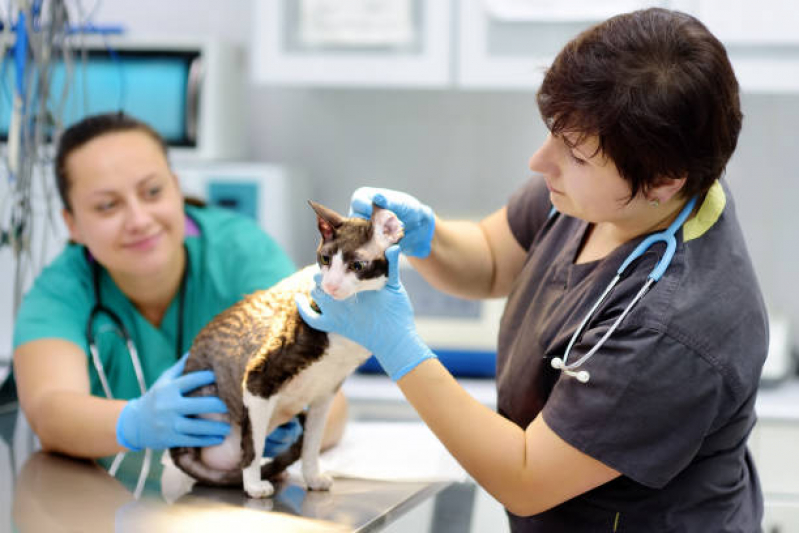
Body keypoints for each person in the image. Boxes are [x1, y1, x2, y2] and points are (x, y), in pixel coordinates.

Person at [296, 8, 767, 532]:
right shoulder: (606, 196)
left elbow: (524, 479)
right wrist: (428, 237)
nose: (539, 162)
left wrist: (396, 346)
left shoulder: (676, 329)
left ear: (662, 182)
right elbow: (493, 260)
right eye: (553, 134)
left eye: (575, 155)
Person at [12, 112, 347, 464]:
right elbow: (49, 412)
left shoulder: (241, 255)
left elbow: (331, 397)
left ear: (176, 188)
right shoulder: (62, 291)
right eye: (108, 206)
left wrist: (296, 429)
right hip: (101, 500)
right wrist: (134, 423)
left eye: (153, 192)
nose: (139, 220)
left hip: (222, 500)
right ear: (72, 224)